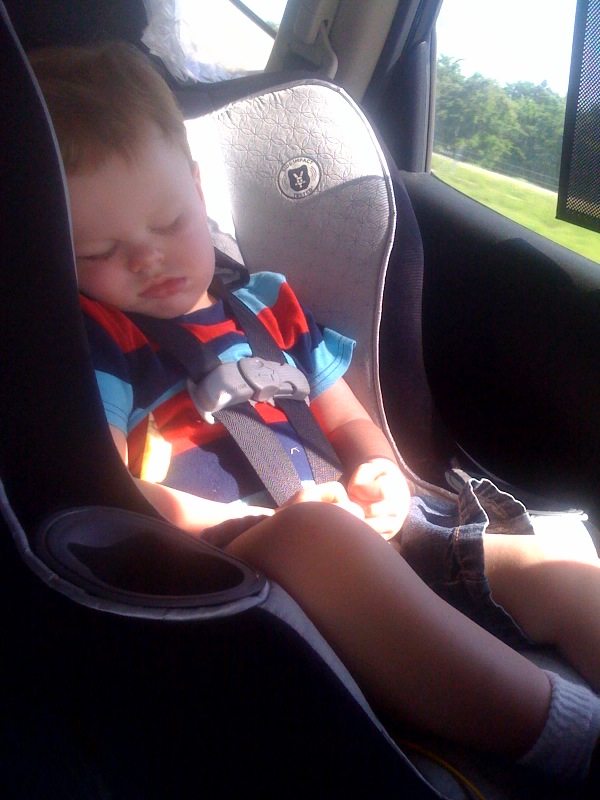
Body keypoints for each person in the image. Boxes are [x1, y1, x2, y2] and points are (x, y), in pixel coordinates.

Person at [31, 42, 600, 788]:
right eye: (99, 251)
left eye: (169, 222)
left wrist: (378, 469)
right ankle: (567, 739)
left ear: (199, 188)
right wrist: (231, 522)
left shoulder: (269, 304)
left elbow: (350, 419)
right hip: (249, 558)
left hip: (370, 535)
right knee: (316, 537)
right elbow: (113, 487)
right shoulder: (101, 338)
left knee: (553, 558)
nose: (147, 259)